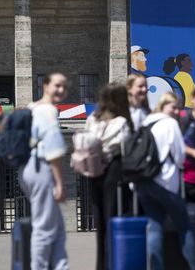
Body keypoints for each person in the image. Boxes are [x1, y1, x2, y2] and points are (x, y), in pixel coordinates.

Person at [136, 92, 195, 270]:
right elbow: (180, 155)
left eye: (177, 108)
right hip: (164, 182)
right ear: (163, 106)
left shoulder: (146, 122)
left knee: (155, 226)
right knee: (185, 226)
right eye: (173, 107)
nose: (176, 111)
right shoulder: (170, 123)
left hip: (142, 182)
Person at [19, 72, 70, 270]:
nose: (61, 90)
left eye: (64, 87)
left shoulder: (32, 107)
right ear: (45, 85)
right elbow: (53, 149)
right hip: (41, 167)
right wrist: (59, 183)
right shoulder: (48, 110)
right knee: (44, 228)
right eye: (57, 85)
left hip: (27, 168)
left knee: (57, 230)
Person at [85, 82, 135, 270]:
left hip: (94, 170)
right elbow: (127, 149)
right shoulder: (121, 122)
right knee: (114, 218)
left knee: (100, 223)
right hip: (114, 169)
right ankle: (115, 262)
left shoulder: (93, 119)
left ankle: (101, 265)